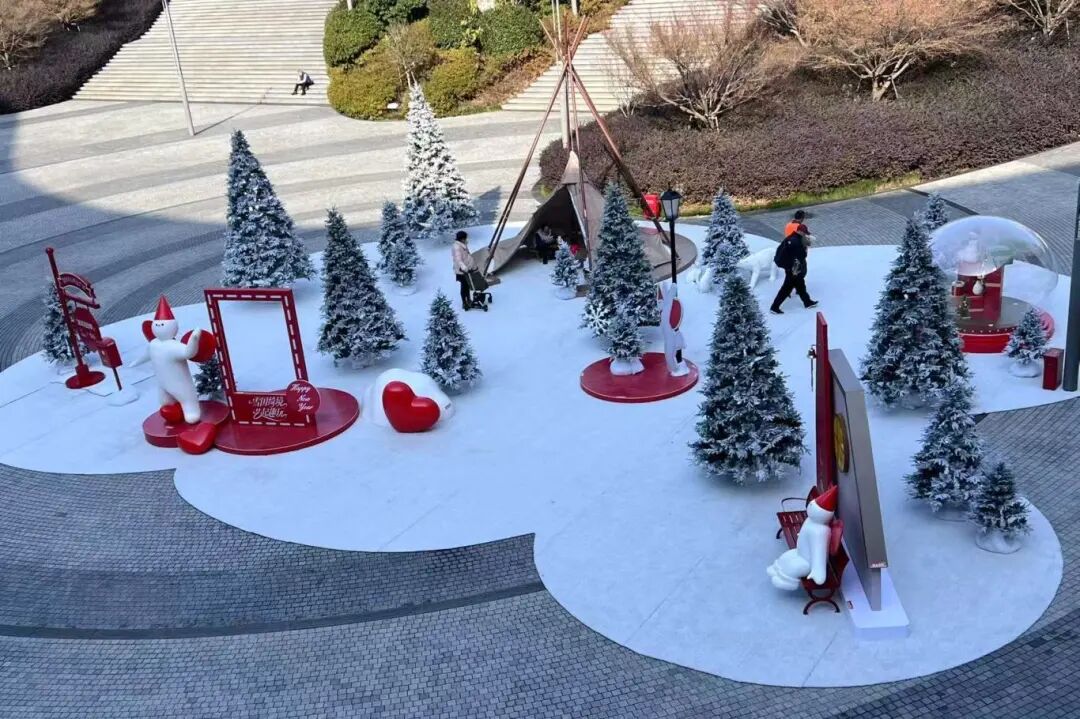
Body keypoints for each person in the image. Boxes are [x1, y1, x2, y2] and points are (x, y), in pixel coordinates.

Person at [770, 211, 819, 315]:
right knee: (786, 288)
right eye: (805, 233)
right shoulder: (796, 242)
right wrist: (805, 247)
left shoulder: (792, 238)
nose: (805, 235)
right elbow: (802, 256)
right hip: (793, 269)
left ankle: (807, 302)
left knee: (800, 285)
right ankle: (774, 307)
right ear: (801, 232)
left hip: (792, 268)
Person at [452, 230, 478, 310]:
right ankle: (464, 303)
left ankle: (468, 300)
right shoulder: (457, 247)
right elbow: (458, 260)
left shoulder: (463, 245)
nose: (466, 239)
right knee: (464, 286)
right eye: (465, 238)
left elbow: (466, 256)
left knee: (467, 285)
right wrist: (464, 268)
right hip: (461, 271)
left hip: (466, 269)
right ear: (462, 238)